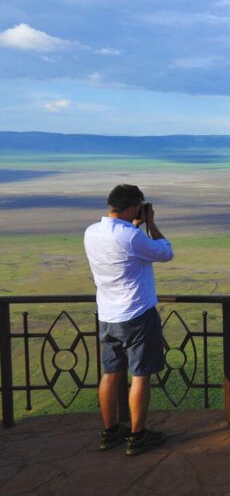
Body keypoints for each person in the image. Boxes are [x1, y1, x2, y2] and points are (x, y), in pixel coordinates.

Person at [83, 184, 173, 456]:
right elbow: (166, 252)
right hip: (136, 314)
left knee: (110, 373)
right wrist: (151, 224)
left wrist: (135, 225)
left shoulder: (91, 232)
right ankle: (138, 434)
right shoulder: (131, 237)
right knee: (140, 375)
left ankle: (110, 431)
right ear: (134, 207)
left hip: (108, 315)